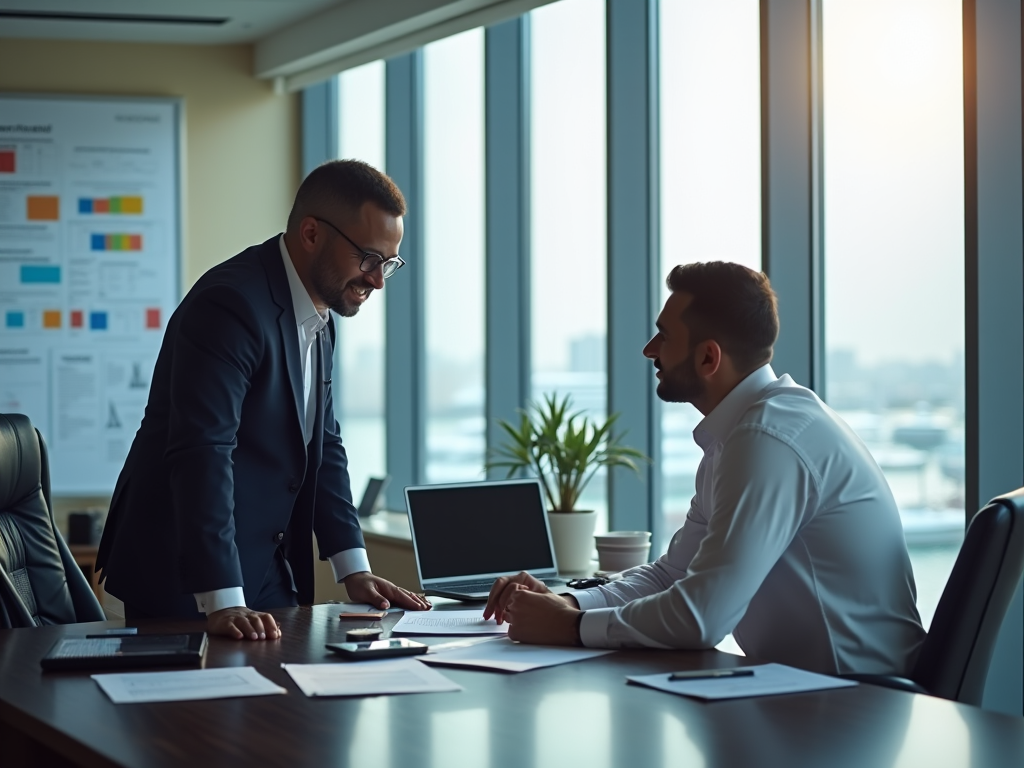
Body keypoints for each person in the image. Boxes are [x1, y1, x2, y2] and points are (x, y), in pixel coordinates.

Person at [484, 261, 926, 675]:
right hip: (805, 695)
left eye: (664, 336)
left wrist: (568, 628)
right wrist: (570, 604)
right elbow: (672, 575)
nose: (648, 349)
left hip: (857, 705)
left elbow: (702, 616)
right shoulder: (740, 434)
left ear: (708, 359)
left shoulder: (767, 439)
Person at [96, 160, 430, 640]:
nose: (377, 280)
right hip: (183, 575)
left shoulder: (320, 315)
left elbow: (324, 443)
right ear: (311, 234)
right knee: (192, 715)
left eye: (388, 264)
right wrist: (222, 598)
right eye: (368, 258)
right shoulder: (229, 306)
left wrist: (352, 568)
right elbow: (203, 451)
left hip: (263, 568)